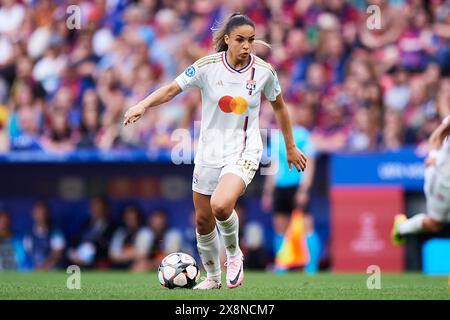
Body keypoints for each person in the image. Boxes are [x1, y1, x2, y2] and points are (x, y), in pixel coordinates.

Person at [123, 13, 307, 289]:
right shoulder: (207, 67)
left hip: (244, 149)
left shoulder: (264, 72)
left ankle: (234, 255)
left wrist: (290, 146)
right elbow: (172, 89)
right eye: (241, 40)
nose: (247, 46)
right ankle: (211, 277)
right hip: (209, 151)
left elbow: (280, 106)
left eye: (251, 40)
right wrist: (142, 105)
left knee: (221, 205)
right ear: (227, 40)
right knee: (203, 220)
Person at [392, 114, 450, 244]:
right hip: (443, 183)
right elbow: (437, 138)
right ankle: (401, 227)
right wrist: (433, 154)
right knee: (435, 224)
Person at [23, 200, 66, 270]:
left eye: (43, 213)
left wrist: (44, 267)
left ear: (48, 213)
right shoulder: (28, 234)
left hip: (52, 271)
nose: (41, 216)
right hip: (35, 270)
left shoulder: (56, 233)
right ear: (33, 214)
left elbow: (57, 254)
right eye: (38, 213)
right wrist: (35, 268)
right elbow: (28, 254)